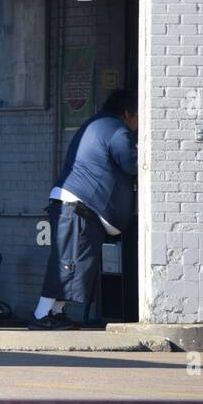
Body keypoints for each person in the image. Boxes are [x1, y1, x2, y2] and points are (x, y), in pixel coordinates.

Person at [31, 88, 138, 330]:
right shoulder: (116, 129)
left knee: (73, 261)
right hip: (78, 205)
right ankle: (41, 315)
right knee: (68, 261)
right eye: (138, 117)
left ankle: (55, 313)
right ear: (127, 113)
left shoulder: (97, 124)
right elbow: (133, 163)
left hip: (74, 205)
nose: (138, 124)